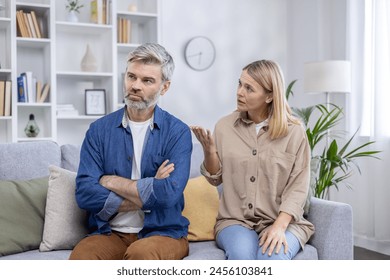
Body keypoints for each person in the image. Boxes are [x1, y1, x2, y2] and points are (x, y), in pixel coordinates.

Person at [70, 43, 192, 260]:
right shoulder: (99, 130)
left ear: (164, 87)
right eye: (131, 76)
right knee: (82, 256)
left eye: (147, 80)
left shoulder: (178, 132)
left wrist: (110, 181)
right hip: (111, 233)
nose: (135, 86)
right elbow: (85, 194)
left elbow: (169, 194)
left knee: (140, 256)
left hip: (164, 233)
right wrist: (150, 186)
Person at [191, 59, 315, 260]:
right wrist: (209, 151)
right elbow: (215, 179)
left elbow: (298, 187)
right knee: (242, 257)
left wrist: (279, 226)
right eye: (240, 84)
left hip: (283, 221)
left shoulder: (295, 132)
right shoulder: (224, 126)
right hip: (235, 221)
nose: (240, 92)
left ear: (269, 96)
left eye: (249, 88)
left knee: (272, 259)